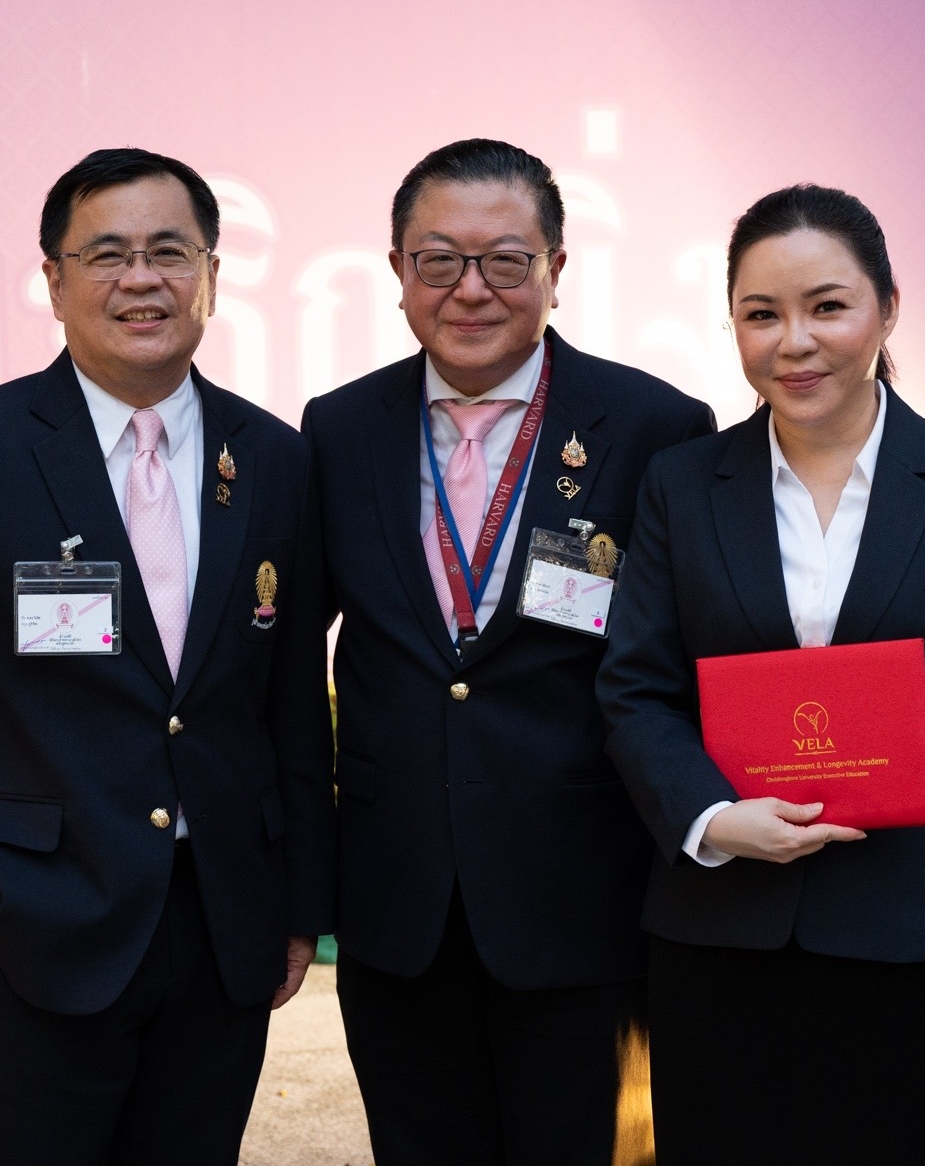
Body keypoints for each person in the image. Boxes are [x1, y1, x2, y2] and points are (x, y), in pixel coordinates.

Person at [0, 148, 335, 1166]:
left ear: (210, 273)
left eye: (167, 251)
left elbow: (287, 697)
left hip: (222, 919)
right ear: (53, 279)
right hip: (37, 917)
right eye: (105, 253)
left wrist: (298, 901)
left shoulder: (275, 458)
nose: (139, 279)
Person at [596, 184, 925, 1164]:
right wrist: (706, 818)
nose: (794, 340)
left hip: (916, 928)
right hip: (720, 932)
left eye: (826, 305)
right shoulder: (684, 482)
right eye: (760, 313)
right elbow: (635, 685)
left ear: (886, 308)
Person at [302, 139, 716, 1166]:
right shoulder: (338, 430)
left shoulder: (656, 428)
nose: (470, 289)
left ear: (556, 270)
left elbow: (691, 667)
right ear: (396, 271)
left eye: (505, 260)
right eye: (438, 260)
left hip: (587, 905)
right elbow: (281, 671)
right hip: (398, 909)